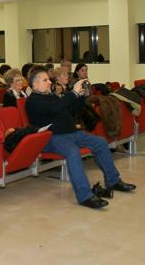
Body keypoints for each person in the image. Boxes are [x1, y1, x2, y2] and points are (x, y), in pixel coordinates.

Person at [25, 69, 136, 209]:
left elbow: (70, 111)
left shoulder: (51, 97)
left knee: (100, 143)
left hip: (72, 133)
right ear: (34, 85)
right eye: (45, 80)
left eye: (49, 79)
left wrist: (80, 97)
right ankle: (85, 195)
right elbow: (55, 108)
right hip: (52, 138)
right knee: (73, 152)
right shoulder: (32, 101)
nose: (49, 82)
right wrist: (73, 93)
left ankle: (113, 180)